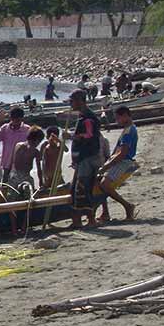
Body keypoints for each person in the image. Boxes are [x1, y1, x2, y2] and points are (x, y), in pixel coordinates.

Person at [63, 90, 102, 228]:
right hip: (82, 159)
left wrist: (71, 136)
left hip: (88, 158)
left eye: (72, 101)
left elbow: (89, 136)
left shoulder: (88, 118)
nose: (71, 104)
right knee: (77, 190)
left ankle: (90, 220)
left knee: (82, 189)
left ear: (80, 100)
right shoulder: (82, 117)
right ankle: (77, 221)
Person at [97, 105, 139, 222]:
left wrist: (107, 165)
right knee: (100, 183)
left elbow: (122, 153)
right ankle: (105, 212)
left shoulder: (129, 131)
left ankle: (127, 206)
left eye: (117, 118)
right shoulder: (128, 130)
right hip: (120, 160)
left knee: (105, 185)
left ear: (125, 116)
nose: (116, 121)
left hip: (123, 161)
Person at [0, 107, 31, 183]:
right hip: (7, 164)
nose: (15, 122)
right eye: (13, 119)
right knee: (5, 184)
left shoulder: (27, 130)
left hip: (21, 164)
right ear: (10, 118)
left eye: (17, 119)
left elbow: (32, 146)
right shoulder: (5, 128)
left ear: (22, 118)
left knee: (21, 185)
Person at [9, 126, 44, 194]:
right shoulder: (35, 151)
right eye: (39, 142)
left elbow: (12, 162)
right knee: (29, 195)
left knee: (12, 196)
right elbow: (39, 169)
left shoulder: (18, 145)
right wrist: (41, 182)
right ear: (37, 140)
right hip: (25, 177)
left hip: (13, 175)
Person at [39, 126, 66, 192]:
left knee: (61, 190)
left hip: (57, 173)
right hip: (47, 174)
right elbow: (41, 159)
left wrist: (58, 140)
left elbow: (66, 149)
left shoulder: (59, 146)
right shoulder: (45, 145)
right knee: (47, 191)